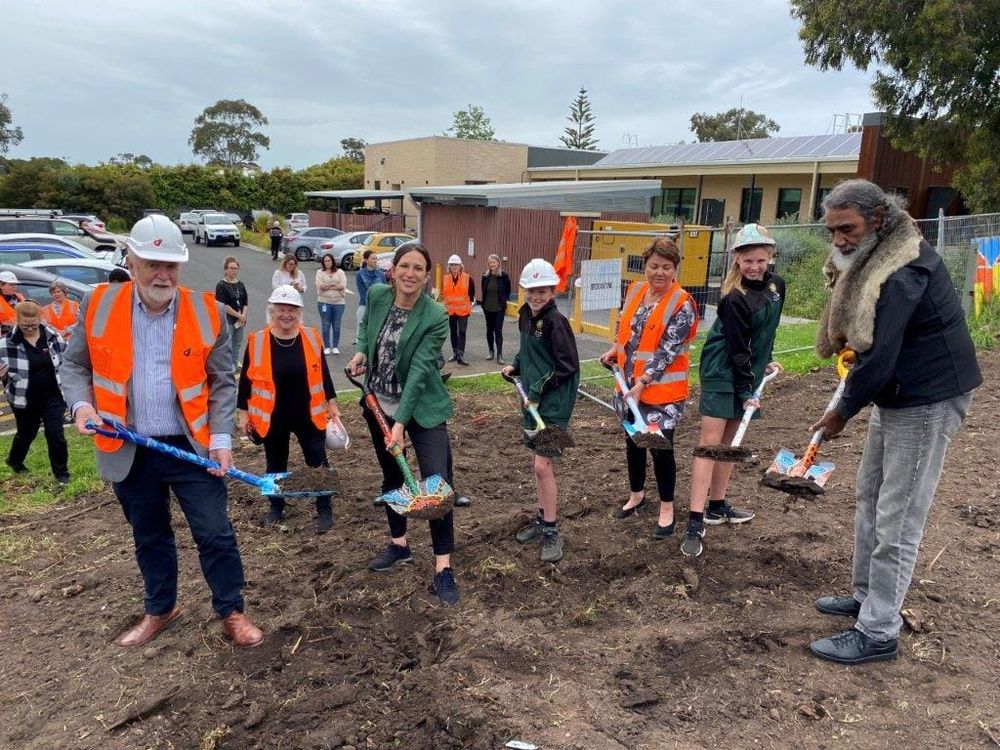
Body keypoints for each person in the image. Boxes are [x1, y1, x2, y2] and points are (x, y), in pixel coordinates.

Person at [61, 214, 264, 649]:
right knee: (149, 533)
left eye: (171, 265)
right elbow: (75, 364)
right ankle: (161, 608)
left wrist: (223, 439)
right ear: (130, 262)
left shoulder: (205, 310)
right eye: (152, 263)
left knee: (214, 531)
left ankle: (231, 610)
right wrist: (81, 404)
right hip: (129, 444)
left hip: (192, 447)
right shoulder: (99, 304)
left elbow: (223, 380)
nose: (162, 274)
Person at [803, 179, 981, 665]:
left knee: (898, 517)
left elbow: (878, 357)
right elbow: (871, 357)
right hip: (898, 392)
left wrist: (839, 414)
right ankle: (865, 597)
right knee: (870, 495)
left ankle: (879, 631)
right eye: (833, 230)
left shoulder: (903, 272)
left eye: (848, 228)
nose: (839, 239)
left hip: (927, 396)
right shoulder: (873, 260)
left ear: (878, 220)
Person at [346, 242, 461, 605]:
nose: (410, 274)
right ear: (392, 269)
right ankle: (400, 544)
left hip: (422, 407)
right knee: (392, 475)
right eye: (404, 266)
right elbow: (367, 326)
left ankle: (443, 567)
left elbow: (419, 373)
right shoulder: (379, 295)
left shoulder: (435, 316)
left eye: (419, 269)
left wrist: (400, 424)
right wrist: (362, 349)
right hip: (378, 400)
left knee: (436, 487)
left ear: (427, 276)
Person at [686, 224, 785, 554]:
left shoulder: (776, 287)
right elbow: (737, 347)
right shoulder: (733, 298)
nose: (755, 267)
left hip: (748, 370)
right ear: (737, 260)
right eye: (748, 261)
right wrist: (745, 391)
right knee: (710, 444)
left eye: (761, 260)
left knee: (730, 441)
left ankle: (717, 506)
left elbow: (765, 333)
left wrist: (766, 360)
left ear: (770, 257)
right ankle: (695, 519)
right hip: (722, 369)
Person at [599, 238, 698, 543]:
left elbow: (667, 352)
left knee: (660, 448)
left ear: (675, 269)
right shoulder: (635, 291)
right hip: (628, 386)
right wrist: (615, 349)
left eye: (666, 267)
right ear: (645, 266)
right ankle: (636, 494)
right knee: (633, 441)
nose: (659, 272)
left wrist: (643, 383)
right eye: (654, 266)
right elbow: (625, 329)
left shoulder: (682, 304)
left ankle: (667, 508)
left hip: (661, 393)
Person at [237, 285, 339, 534]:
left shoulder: (312, 337)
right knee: (275, 463)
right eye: (281, 309)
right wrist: (243, 413)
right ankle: (276, 506)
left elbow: (323, 372)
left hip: (308, 413)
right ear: (272, 311)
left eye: (291, 309)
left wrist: (332, 403)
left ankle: (324, 509)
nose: (286, 314)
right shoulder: (258, 341)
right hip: (273, 416)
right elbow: (246, 380)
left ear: (298, 312)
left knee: (318, 461)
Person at [501, 259, 579, 563]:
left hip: (553, 403)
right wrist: (516, 365)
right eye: (531, 290)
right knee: (538, 465)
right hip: (534, 401)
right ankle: (543, 517)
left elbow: (566, 366)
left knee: (542, 467)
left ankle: (551, 529)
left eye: (542, 290)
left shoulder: (556, 322)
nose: (536, 296)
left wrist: (534, 392)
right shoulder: (526, 316)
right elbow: (528, 349)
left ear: (553, 290)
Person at [0, 301, 69, 484]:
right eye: (25, 325)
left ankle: (62, 474)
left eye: (34, 324)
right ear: (17, 321)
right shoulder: (5, 344)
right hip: (23, 398)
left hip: (52, 395)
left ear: (40, 319)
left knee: (55, 434)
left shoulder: (53, 337)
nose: (30, 328)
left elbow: (68, 360)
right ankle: (14, 460)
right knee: (26, 433)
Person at [215, 255, 248, 371]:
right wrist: (239, 316)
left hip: (240, 321)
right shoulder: (221, 285)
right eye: (231, 268)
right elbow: (224, 306)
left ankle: (234, 364)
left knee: (237, 344)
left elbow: (245, 302)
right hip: (228, 320)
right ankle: (227, 366)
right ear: (226, 269)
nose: (234, 270)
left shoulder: (240, 284)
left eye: (236, 268)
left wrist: (243, 316)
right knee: (227, 345)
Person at [442, 254, 475, 366]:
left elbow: (472, 292)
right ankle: (455, 352)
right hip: (451, 311)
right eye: (452, 265)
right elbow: (444, 293)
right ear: (449, 266)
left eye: (456, 265)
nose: (454, 267)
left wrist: (469, 304)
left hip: (463, 310)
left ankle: (461, 354)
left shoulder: (467, 278)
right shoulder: (446, 278)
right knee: (453, 332)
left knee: (462, 331)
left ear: (460, 266)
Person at [480, 254, 512, 364]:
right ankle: (491, 351)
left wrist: (504, 300)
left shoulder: (504, 276)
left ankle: (499, 355)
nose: (492, 264)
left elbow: (508, 289)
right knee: (489, 330)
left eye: (494, 262)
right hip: (487, 308)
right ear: (488, 264)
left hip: (499, 308)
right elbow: (483, 290)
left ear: (498, 263)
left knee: (498, 331)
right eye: (490, 262)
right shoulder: (485, 276)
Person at [315, 252, 347, 355]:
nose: (327, 263)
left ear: (332, 261)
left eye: (329, 260)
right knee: (325, 325)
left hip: (339, 303)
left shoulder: (340, 272)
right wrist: (334, 285)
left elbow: (342, 285)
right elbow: (320, 286)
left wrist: (328, 285)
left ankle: (335, 346)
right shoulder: (320, 272)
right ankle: (327, 346)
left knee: (337, 325)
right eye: (325, 261)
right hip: (324, 302)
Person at [355, 249, 387, 347]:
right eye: (373, 258)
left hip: (379, 306)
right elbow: (362, 292)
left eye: (376, 259)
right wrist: (370, 303)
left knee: (378, 329)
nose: (375, 260)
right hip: (365, 305)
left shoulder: (381, 274)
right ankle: (359, 350)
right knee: (361, 327)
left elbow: (385, 291)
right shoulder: (360, 274)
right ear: (366, 260)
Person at [0, 271, 26, 336]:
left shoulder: (20, 297)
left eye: (15, 284)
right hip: (4, 337)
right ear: (1, 285)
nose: (14, 287)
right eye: (11, 284)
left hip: (22, 334)